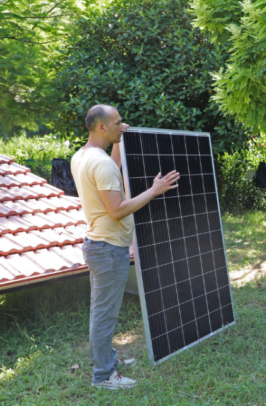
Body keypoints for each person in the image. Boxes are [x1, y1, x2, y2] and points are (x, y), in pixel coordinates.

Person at [71, 104, 180, 389]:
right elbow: (117, 210)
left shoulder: (84, 157)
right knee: (104, 315)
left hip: (99, 244)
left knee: (103, 311)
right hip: (108, 248)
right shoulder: (101, 163)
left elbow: (111, 168)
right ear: (101, 127)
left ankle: (109, 360)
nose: (124, 126)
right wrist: (155, 190)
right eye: (118, 123)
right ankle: (103, 376)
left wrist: (120, 142)